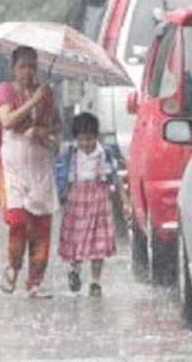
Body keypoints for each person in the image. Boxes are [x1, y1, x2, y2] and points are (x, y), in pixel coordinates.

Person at [0, 46, 60, 298]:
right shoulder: (5, 91)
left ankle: (35, 282)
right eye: (23, 66)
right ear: (13, 69)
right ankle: (13, 267)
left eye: (32, 67)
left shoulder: (46, 93)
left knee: (41, 227)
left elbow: (56, 124)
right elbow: (7, 121)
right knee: (18, 221)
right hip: (13, 168)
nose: (28, 72)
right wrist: (33, 102)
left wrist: (42, 132)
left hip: (40, 166)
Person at [57, 113, 126, 297]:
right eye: (81, 140)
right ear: (75, 139)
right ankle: (74, 269)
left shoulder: (105, 154)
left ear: (96, 137)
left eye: (89, 139)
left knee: (99, 242)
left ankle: (95, 281)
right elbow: (62, 177)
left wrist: (124, 201)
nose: (85, 144)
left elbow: (116, 178)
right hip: (76, 200)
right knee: (75, 240)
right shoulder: (70, 155)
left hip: (99, 200)